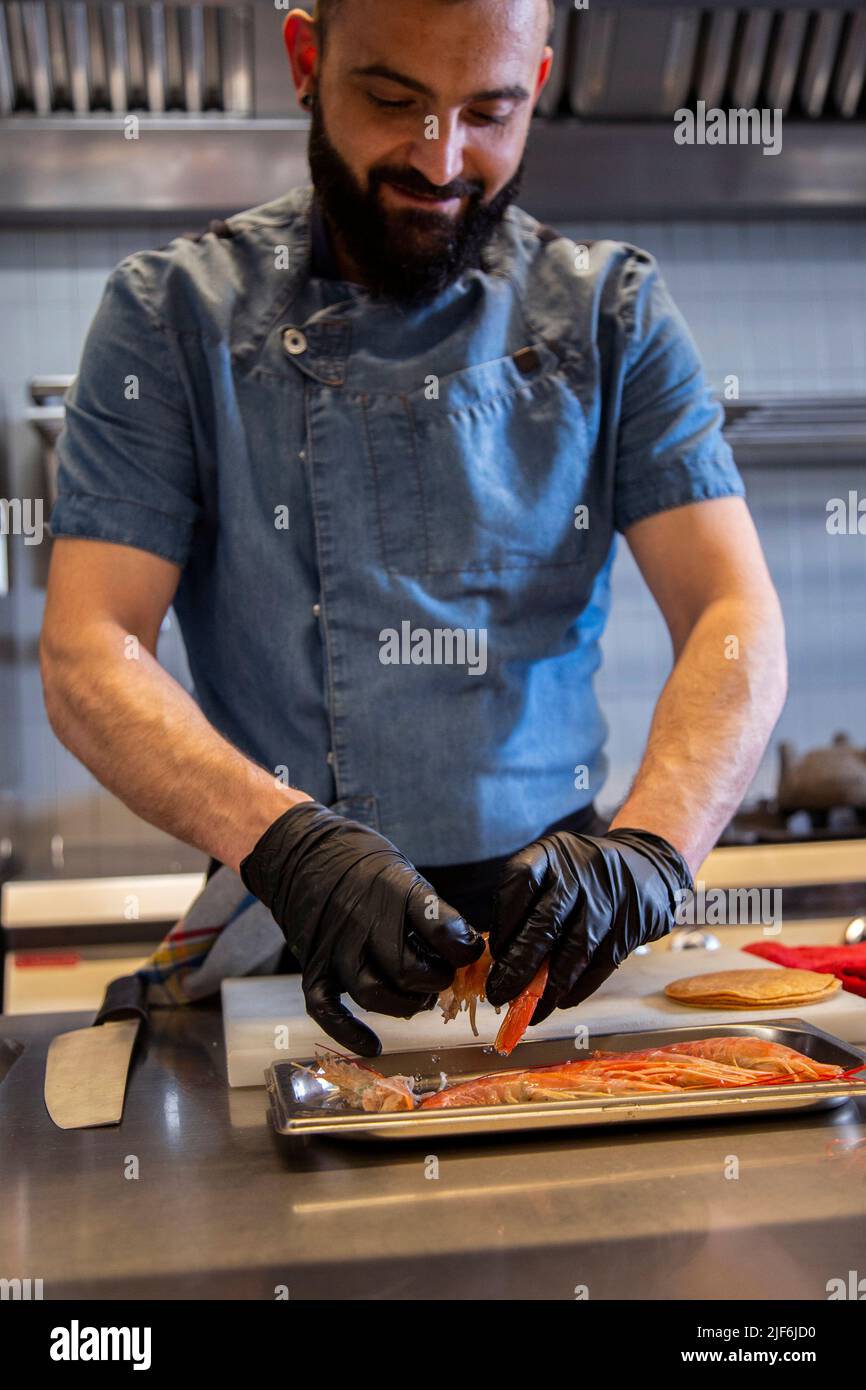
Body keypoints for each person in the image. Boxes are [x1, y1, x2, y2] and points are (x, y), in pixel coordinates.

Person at [41, 0, 787, 1055]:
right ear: (307, 59)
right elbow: (88, 645)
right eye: (392, 100)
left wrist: (652, 851)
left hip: (557, 938)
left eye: (490, 110)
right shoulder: (171, 317)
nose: (440, 160)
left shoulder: (608, 312)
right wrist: (285, 843)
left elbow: (731, 611)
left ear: (536, 77)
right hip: (279, 914)